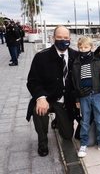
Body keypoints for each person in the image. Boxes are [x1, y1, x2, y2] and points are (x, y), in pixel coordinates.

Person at [26, 25, 78, 157]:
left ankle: (58, 120)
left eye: (65, 38)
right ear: (53, 38)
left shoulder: (75, 56)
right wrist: (40, 97)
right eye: (59, 37)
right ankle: (42, 141)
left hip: (65, 100)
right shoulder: (41, 57)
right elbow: (32, 81)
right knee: (39, 111)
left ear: (70, 38)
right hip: (48, 97)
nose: (62, 40)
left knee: (67, 135)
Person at [72, 36, 100, 158]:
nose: (83, 49)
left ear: (91, 48)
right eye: (80, 47)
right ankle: (83, 144)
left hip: (97, 94)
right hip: (83, 96)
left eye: (86, 47)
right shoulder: (76, 63)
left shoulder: (97, 62)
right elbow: (75, 82)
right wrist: (77, 98)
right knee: (85, 120)